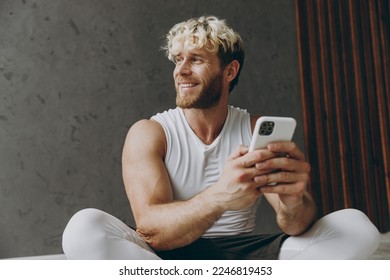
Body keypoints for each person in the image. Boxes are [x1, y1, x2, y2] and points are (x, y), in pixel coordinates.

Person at [62, 15, 380, 260]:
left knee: (357, 227)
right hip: (162, 258)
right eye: (178, 60)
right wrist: (221, 195)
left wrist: (293, 199)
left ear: (229, 72)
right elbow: (152, 232)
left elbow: (294, 226)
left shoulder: (255, 129)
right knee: (83, 228)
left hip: (242, 256)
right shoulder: (150, 132)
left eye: (196, 59)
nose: (181, 70)